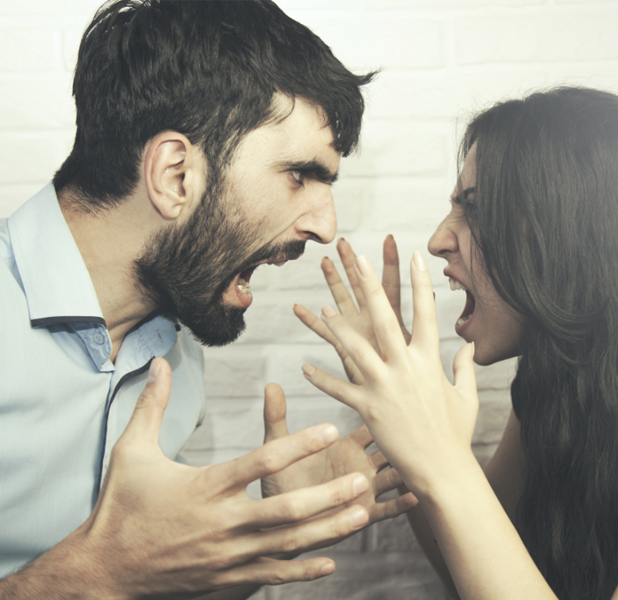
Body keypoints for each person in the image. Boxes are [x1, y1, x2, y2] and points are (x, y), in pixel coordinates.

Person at [295, 87, 618, 599]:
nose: (439, 239)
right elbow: (473, 573)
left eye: (475, 209)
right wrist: (405, 431)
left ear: (574, 233)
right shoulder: (555, 381)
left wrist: (441, 458)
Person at [0, 1, 417, 598]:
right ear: (176, 175)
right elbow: (106, 573)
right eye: (299, 175)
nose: (326, 226)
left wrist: (271, 535)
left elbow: (146, 581)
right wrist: (89, 576)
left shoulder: (178, 357)